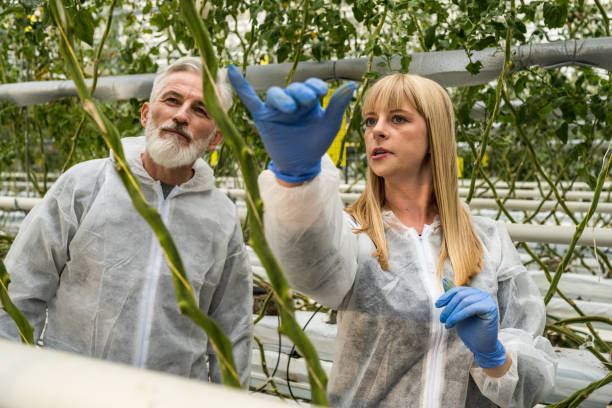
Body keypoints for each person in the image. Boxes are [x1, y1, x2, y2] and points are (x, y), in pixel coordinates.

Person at [228, 67, 557, 407]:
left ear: (435, 134)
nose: (377, 131)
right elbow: (308, 268)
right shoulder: (355, 233)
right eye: (370, 121)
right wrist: (297, 182)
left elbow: (531, 384)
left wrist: (494, 356)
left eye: (398, 119)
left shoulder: (488, 239)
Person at [0, 57, 252, 385]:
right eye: (172, 100)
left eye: (200, 110)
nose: (181, 115)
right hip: (71, 391)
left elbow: (231, 331)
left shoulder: (221, 218)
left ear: (216, 138)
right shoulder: (84, 186)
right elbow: (22, 290)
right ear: (147, 114)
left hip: (169, 398)